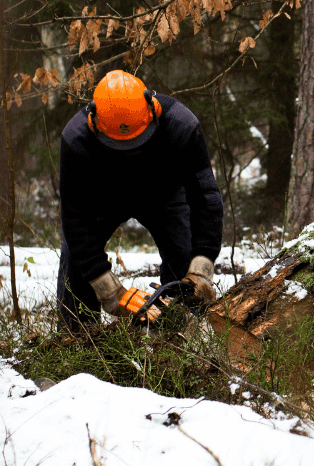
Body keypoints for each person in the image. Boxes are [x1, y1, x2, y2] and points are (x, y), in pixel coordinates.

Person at [56, 70, 223, 331]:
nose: (131, 151)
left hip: (164, 194)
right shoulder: (76, 139)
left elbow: (206, 198)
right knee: (76, 264)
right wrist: (108, 290)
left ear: (153, 110)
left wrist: (202, 267)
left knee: (186, 258)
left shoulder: (181, 125)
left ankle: (178, 336)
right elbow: (75, 219)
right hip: (102, 199)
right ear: (94, 123)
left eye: (138, 142)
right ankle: (77, 339)